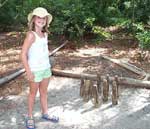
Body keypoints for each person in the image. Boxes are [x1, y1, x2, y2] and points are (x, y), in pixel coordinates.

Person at [21, 7, 59, 129]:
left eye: (44, 18)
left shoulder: (45, 34)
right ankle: (30, 116)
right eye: (38, 17)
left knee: (44, 92)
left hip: (45, 69)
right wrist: (28, 71)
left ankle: (45, 113)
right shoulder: (31, 35)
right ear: (33, 19)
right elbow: (22, 54)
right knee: (32, 94)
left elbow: (43, 51)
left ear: (46, 21)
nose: (41, 20)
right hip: (35, 70)